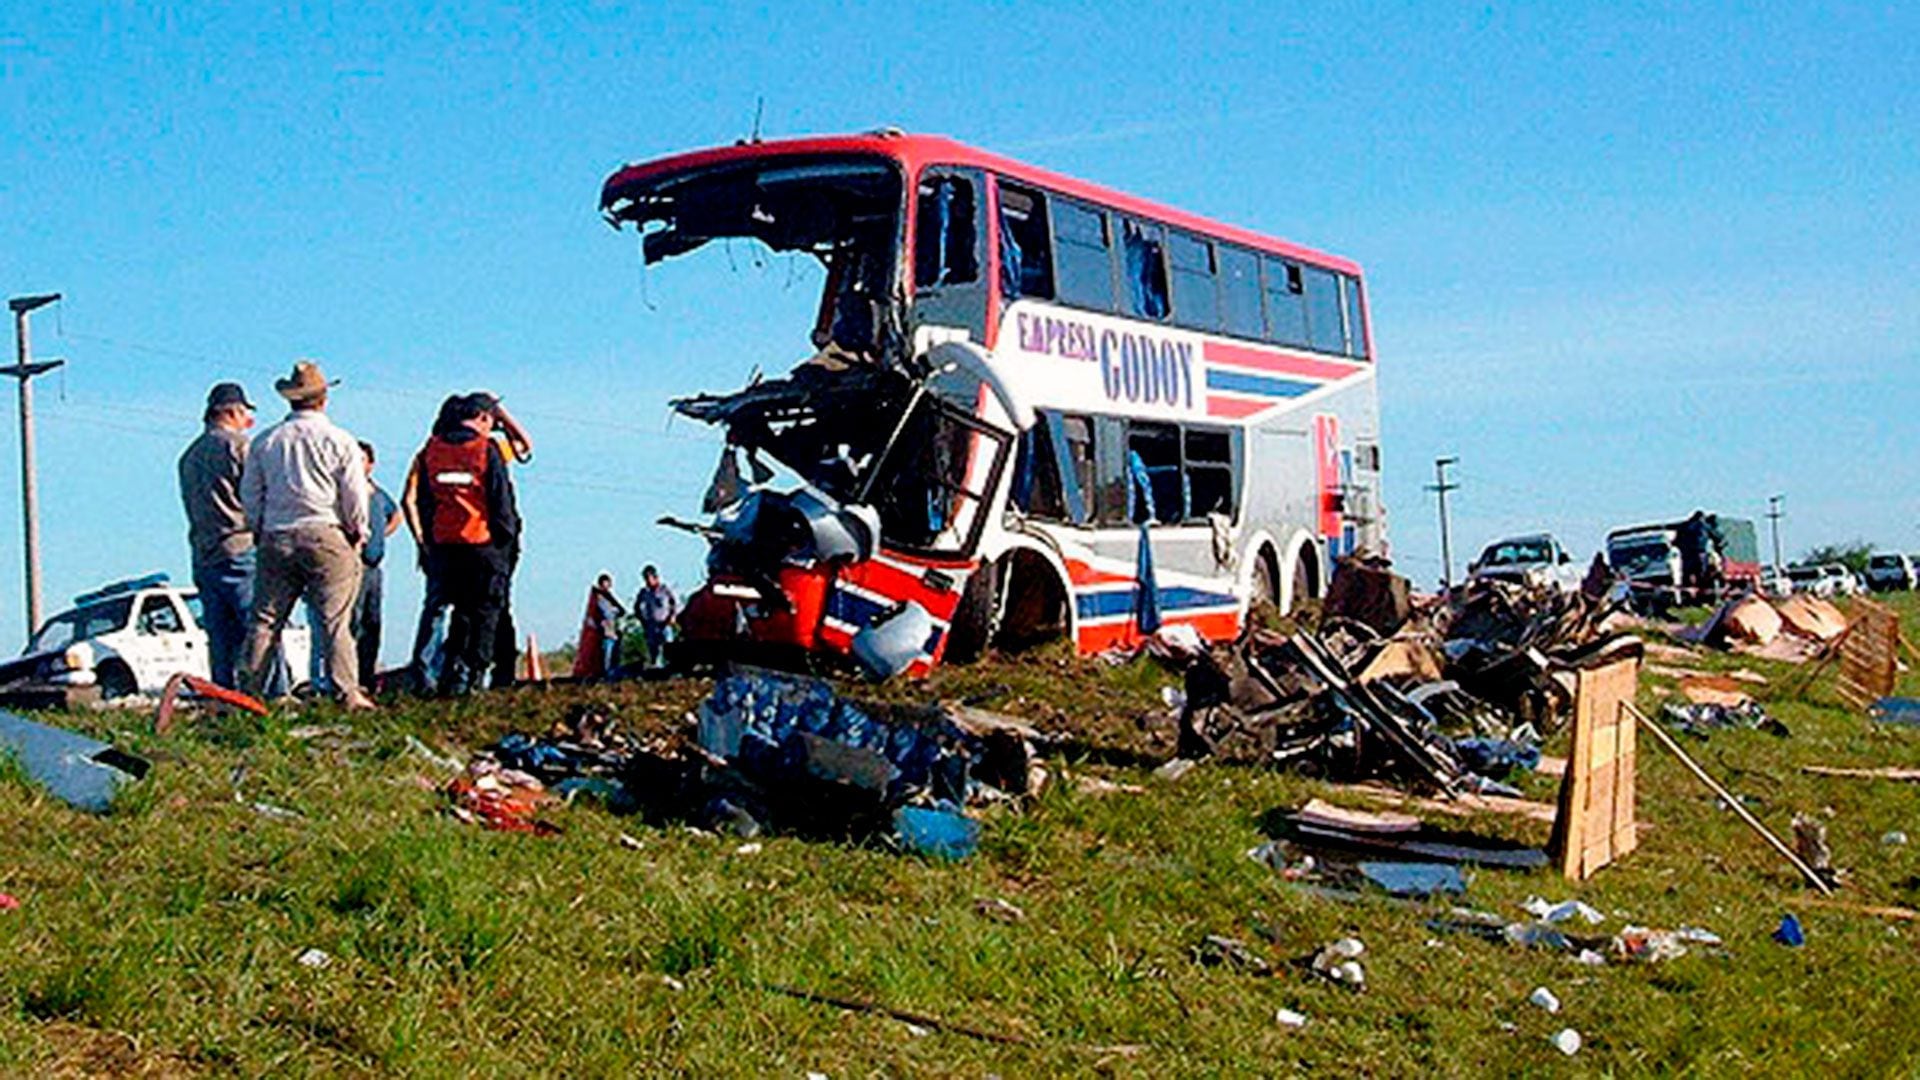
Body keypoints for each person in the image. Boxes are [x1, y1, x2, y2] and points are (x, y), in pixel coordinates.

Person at [238, 360, 373, 709]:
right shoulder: (340, 440)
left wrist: (259, 528)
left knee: (266, 620)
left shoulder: (265, 442)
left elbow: (250, 495)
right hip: (326, 531)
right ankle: (347, 692)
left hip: (277, 535)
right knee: (334, 621)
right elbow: (354, 493)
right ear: (324, 398)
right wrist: (358, 530)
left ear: (290, 399)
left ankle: (247, 693)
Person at [413, 394, 521, 695]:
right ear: (484, 418)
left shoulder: (431, 450)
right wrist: (505, 541)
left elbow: (424, 500)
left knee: (459, 613)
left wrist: (431, 542)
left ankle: (453, 678)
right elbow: (500, 500)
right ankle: (474, 678)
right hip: (483, 543)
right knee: (486, 613)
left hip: (445, 545)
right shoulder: (485, 449)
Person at [177, 382, 257, 689]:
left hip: (204, 553)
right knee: (259, 628)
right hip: (240, 545)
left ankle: (223, 698)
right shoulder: (239, 446)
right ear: (234, 411)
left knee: (220, 638)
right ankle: (271, 696)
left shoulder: (188, 457)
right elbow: (254, 496)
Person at [465, 390, 532, 689]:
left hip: (467, 536)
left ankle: (477, 671)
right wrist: (503, 415)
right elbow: (524, 445)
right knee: (497, 604)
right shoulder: (488, 447)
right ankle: (499, 669)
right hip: (495, 537)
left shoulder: (445, 447)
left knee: (476, 606)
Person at [355, 441, 402, 688]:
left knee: (371, 623)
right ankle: (348, 677)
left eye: (361, 459)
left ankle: (367, 675)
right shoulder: (345, 490)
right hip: (353, 566)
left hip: (374, 567)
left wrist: (382, 533)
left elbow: (396, 514)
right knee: (352, 621)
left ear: (370, 465)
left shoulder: (378, 494)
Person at [570, 573, 626, 680]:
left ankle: (612, 675)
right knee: (607, 657)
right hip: (605, 632)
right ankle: (607, 676)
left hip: (612, 631)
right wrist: (614, 612)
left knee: (614, 656)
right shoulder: (600, 599)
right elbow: (606, 613)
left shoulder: (609, 598)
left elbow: (620, 611)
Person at [633, 565, 678, 669]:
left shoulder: (665, 590)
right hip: (651, 625)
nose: (647, 581)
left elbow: (673, 604)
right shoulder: (644, 592)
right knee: (653, 647)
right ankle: (655, 667)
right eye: (645, 579)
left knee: (668, 646)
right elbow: (637, 607)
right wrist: (642, 620)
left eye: (649, 578)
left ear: (655, 577)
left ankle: (671, 667)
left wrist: (672, 617)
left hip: (664, 623)